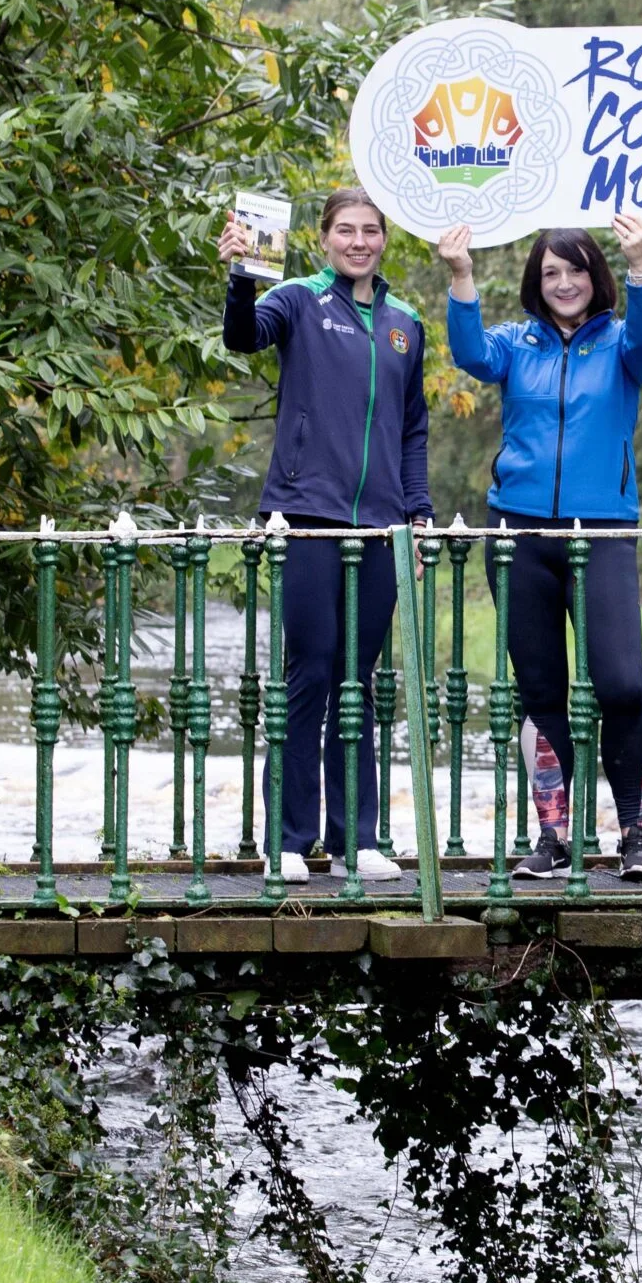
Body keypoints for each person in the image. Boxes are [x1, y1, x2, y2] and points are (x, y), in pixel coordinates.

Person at [441, 213, 642, 881]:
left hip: (601, 531)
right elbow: (470, 354)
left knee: (621, 685)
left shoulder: (623, 343)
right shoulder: (515, 343)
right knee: (541, 690)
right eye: (551, 272)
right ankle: (554, 837)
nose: (564, 282)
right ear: (535, 283)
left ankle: (634, 833)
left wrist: (640, 263)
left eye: (576, 270)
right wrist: (461, 274)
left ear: (595, 276)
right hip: (519, 533)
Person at [220, 188, 430, 885]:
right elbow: (243, 335)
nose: (359, 241)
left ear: (384, 239)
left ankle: (355, 840)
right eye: (346, 230)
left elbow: (412, 429)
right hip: (305, 515)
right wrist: (240, 274)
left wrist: (418, 514)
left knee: (356, 681)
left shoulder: (406, 323)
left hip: (380, 525)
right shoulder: (298, 299)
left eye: (370, 230)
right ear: (324, 237)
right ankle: (288, 839)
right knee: (310, 670)